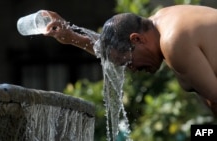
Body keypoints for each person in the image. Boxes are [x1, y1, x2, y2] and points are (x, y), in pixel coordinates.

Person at [44, 4, 217, 115]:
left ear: (137, 39)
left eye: (128, 62)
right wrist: (72, 37)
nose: (131, 68)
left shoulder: (173, 42)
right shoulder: (162, 20)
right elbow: (114, 48)